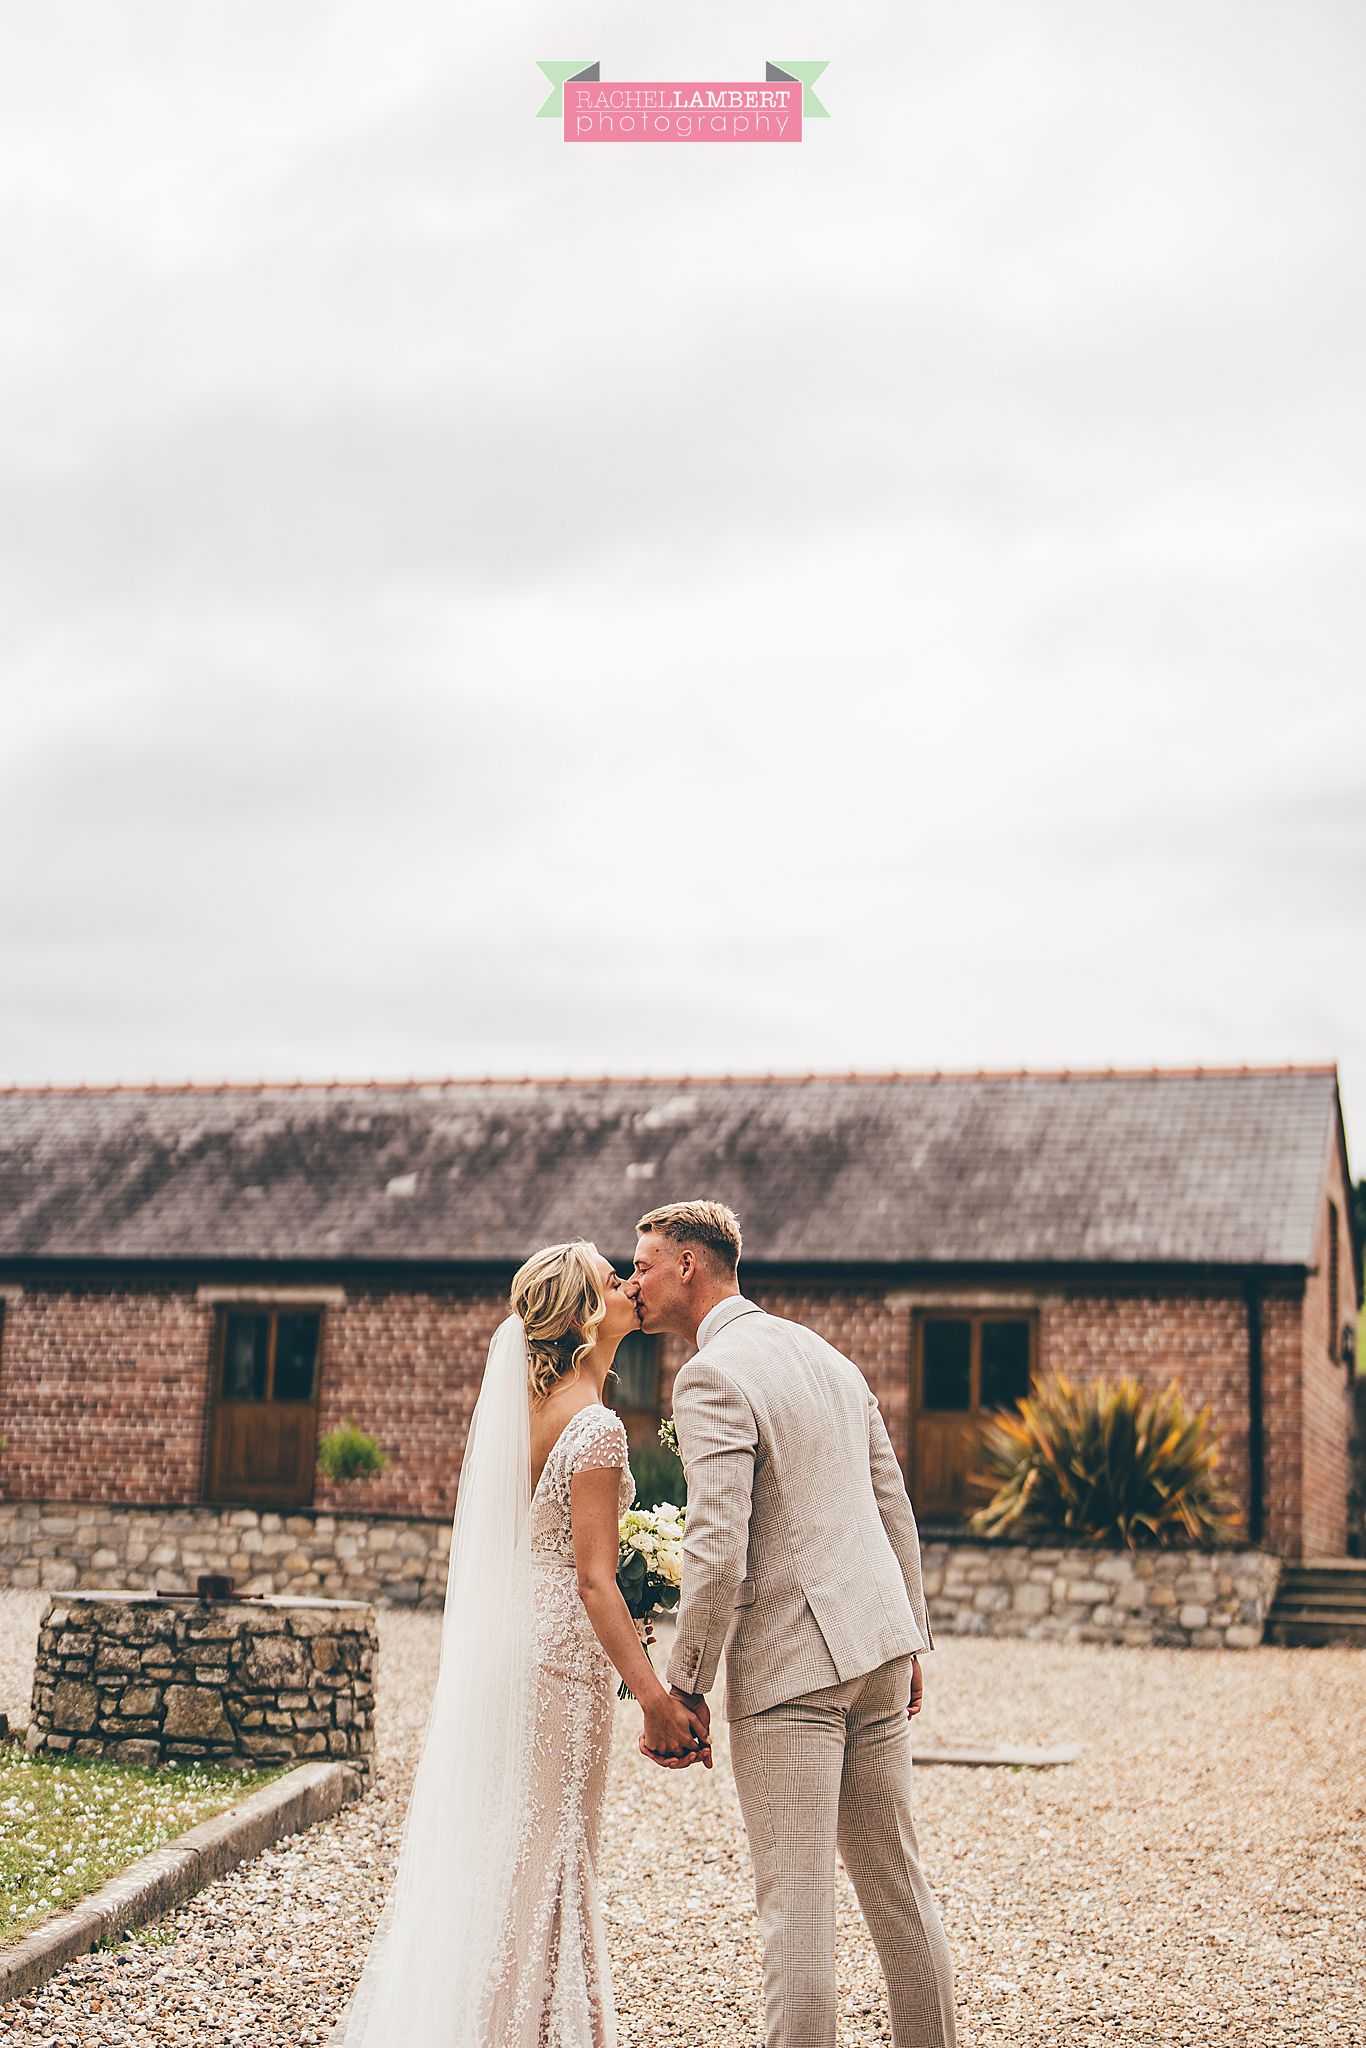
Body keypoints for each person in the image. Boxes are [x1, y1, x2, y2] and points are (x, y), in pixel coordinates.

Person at [333, 1239, 708, 2048]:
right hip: (559, 1665)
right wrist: (655, 1698)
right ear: (580, 1313)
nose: (629, 1289)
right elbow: (594, 1582)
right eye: (616, 1282)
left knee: (520, 1846)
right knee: (555, 1848)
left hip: (514, 1646)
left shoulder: (533, 1413)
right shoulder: (598, 1425)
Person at [629, 1199, 958, 2048]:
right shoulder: (827, 1358)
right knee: (897, 1886)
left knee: (796, 1910)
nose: (634, 1280)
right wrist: (910, 1635)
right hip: (879, 1647)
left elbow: (717, 1546)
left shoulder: (711, 1375)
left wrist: (686, 1683)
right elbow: (894, 1508)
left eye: (644, 1263)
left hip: (794, 1670)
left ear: (689, 1266)